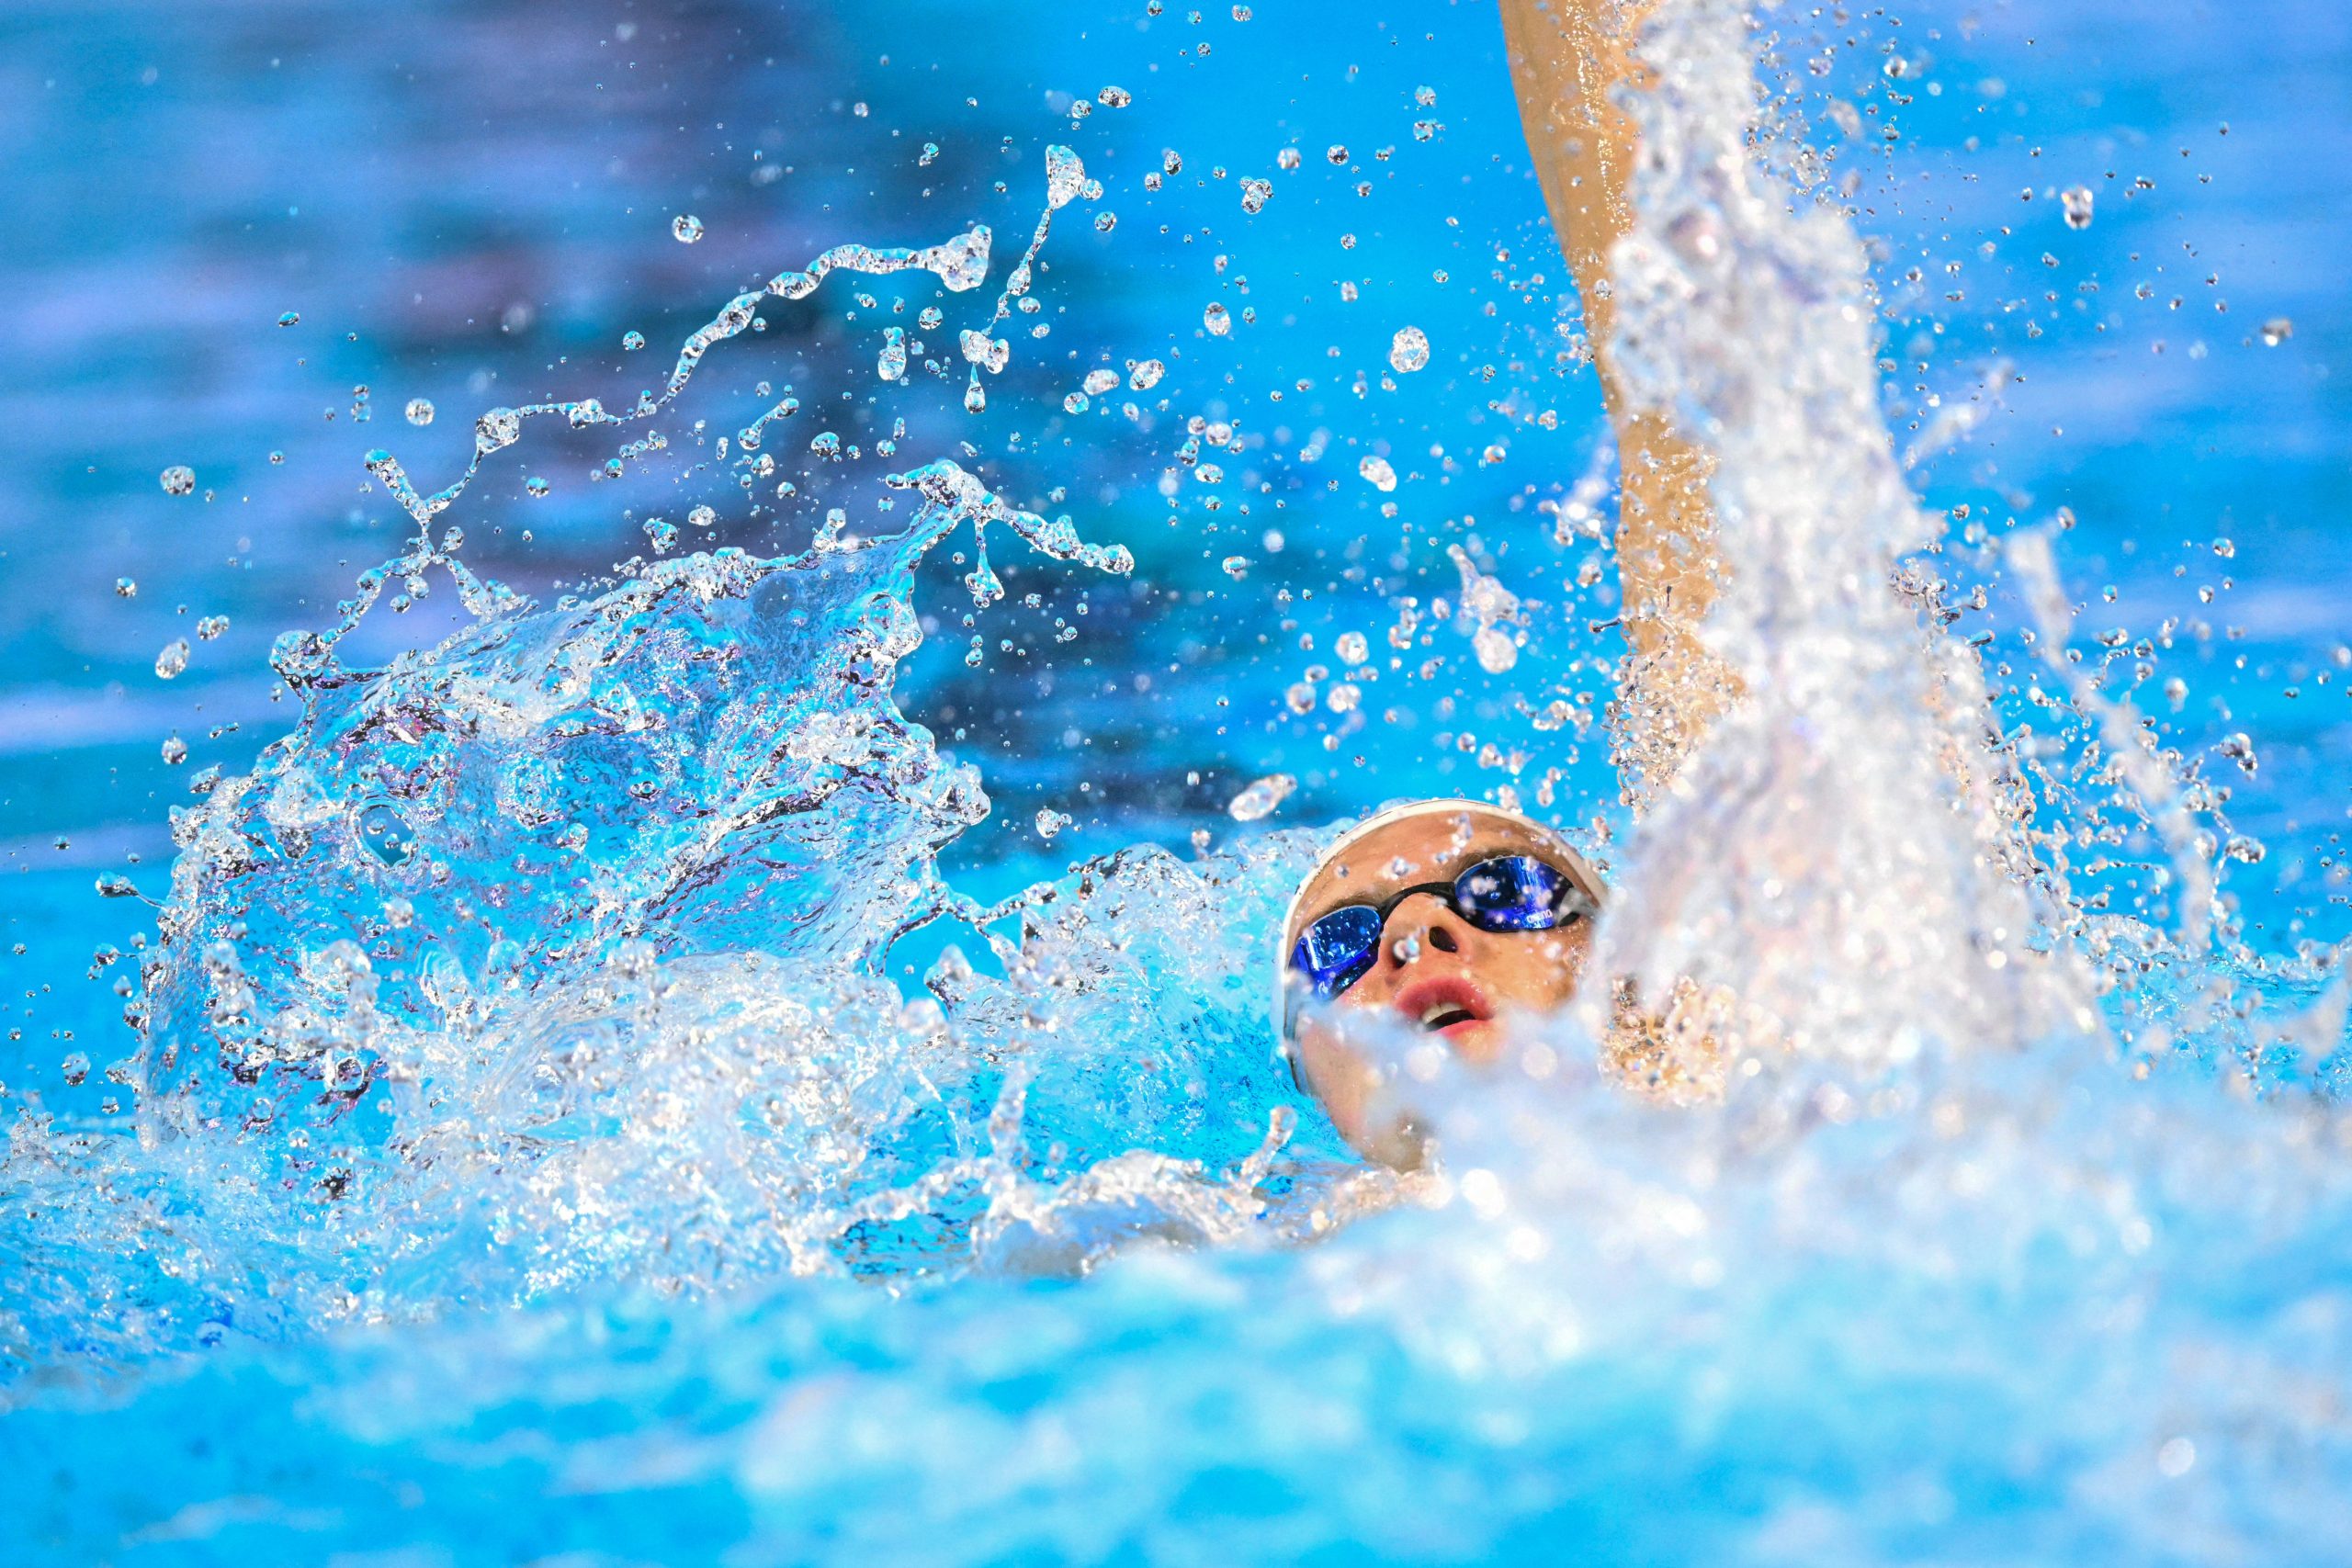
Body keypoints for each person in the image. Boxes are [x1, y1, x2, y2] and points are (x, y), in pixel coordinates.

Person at [1271, 0, 1736, 1162]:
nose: (1420, 933)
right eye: (1337, 948)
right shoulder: (1196, 1244)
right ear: (1308, 1077)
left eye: (1507, 890)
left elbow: (1707, 436)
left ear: (1632, 980)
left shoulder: (1749, 1119)